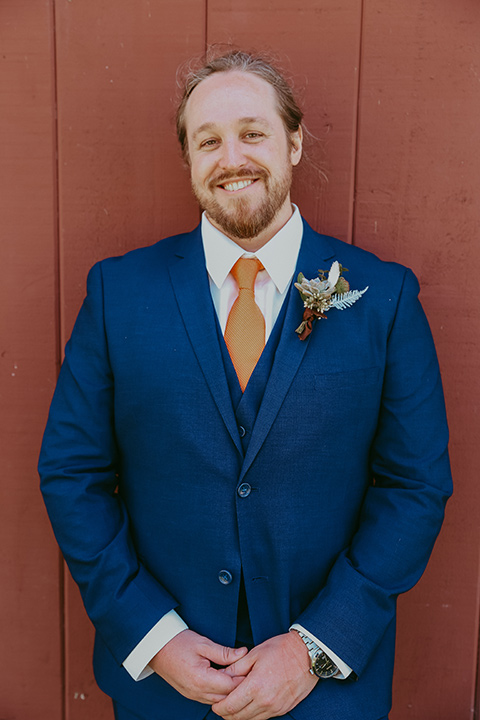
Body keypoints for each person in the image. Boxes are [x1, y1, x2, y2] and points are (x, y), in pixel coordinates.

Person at [39, 50, 452, 720]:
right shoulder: (119, 293)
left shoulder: (381, 296)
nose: (232, 157)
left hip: (327, 691)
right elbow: (71, 472)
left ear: (293, 141)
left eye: (252, 132)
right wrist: (156, 636)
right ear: (190, 159)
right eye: (208, 140)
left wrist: (316, 647)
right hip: (163, 690)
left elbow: (415, 486)